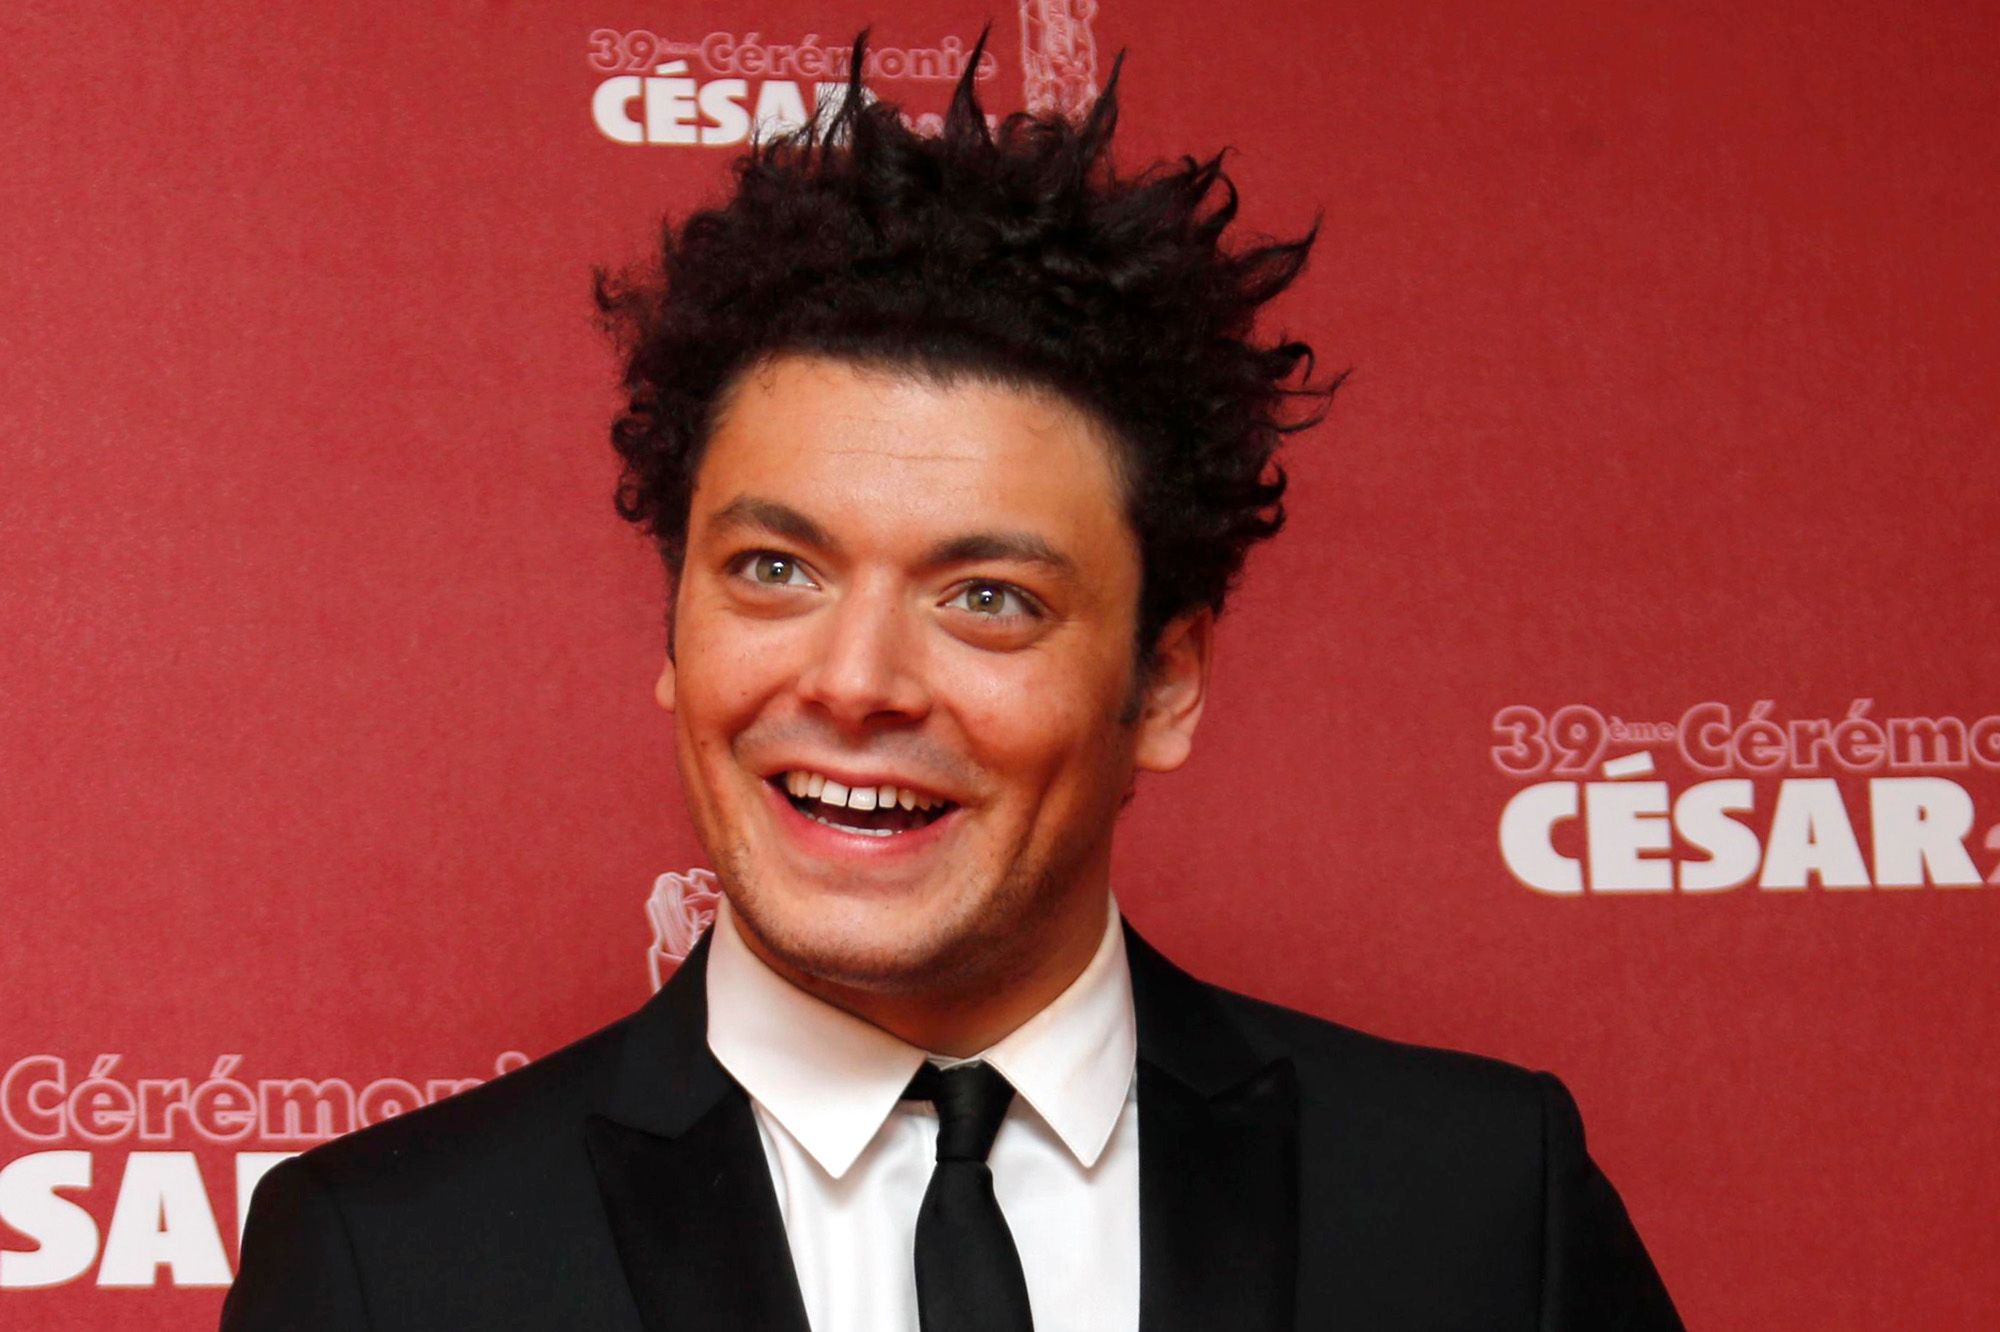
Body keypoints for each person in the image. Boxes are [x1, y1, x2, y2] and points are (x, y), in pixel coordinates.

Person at [223, 33, 1681, 1332]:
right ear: (672, 635)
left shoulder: (1481, 1208)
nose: (856, 682)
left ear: (1167, 684)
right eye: (775, 570)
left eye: (988, 599)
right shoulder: (389, 1268)